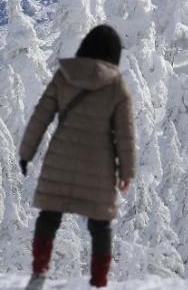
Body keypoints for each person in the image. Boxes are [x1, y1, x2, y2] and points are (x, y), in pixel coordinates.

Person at [19, 25, 136, 290]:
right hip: (99, 168)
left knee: (49, 217)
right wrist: (126, 173)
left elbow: (41, 115)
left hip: (61, 159)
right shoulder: (117, 87)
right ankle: (99, 282)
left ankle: (39, 273)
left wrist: (26, 153)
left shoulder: (64, 76)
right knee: (100, 225)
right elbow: (125, 135)